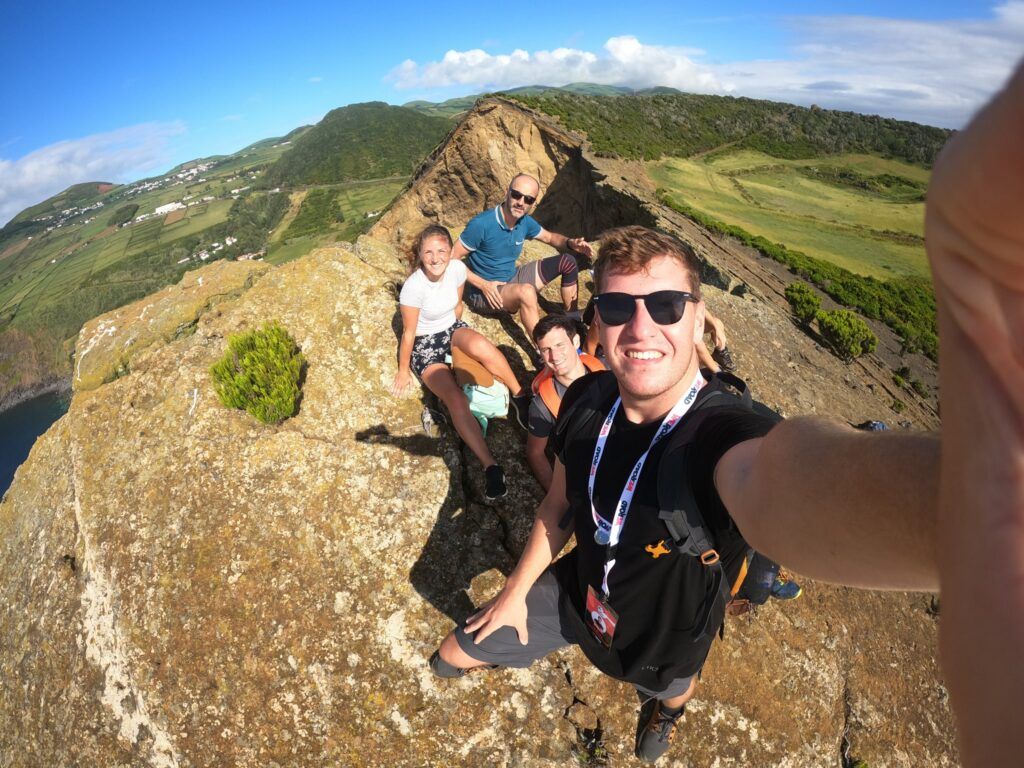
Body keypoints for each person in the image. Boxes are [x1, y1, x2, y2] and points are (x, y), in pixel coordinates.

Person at [431, 64, 1024, 767]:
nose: (640, 327)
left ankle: (665, 716)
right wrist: (515, 590)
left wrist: (990, 510)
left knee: (676, 687)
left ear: (701, 319)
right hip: (581, 591)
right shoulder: (588, 401)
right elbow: (560, 504)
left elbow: (782, 477)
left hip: (672, 628)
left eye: (666, 305)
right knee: (448, 657)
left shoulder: (716, 431)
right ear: (598, 319)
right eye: (618, 307)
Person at [391, 224, 532, 500]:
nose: (435, 258)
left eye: (442, 250)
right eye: (429, 252)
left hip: (451, 328)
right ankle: (491, 466)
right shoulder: (413, 288)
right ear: (420, 254)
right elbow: (409, 333)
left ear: (449, 251)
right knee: (454, 399)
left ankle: (520, 396)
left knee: (481, 345)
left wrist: (459, 339)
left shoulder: (455, 269)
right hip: (425, 345)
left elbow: (457, 305)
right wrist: (403, 370)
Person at [453, 173, 594, 337]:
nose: (521, 202)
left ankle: (573, 318)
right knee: (527, 292)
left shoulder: (524, 222)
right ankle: (544, 349)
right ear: (507, 192)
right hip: (485, 293)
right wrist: (483, 284)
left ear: (533, 203)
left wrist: (571, 243)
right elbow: (451, 259)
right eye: (516, 195)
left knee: (568, 261)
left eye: (528, 199)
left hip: (511, 278)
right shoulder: (482, 224)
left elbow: (549, 237)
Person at [525, 315, 605, 492]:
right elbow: (535, 453)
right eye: (546, 349)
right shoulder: (543, 405)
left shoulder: (606, 371)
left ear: (575, 341)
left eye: (560, 345)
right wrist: (557, 495)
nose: (554, 356)